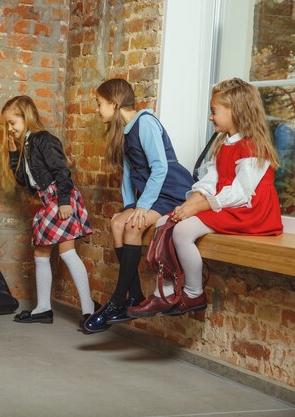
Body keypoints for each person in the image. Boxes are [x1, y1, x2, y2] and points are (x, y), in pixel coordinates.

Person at [127, 77, 283, 318]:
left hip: (249, 210)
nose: (210, 117)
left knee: (182, 232)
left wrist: (201, 206)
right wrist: (189, 204)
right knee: (163, 223)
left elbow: (240, 193)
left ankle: (193, 292)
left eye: (214, 111)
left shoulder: (252, 146)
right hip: (227, 204)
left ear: (235, 111)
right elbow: (211, 180)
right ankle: (164, 293)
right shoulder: (224, 143)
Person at [83, 79, 194, 334]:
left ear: (114, 103)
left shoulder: (145, 122)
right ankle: (133, 296)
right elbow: (127, 175)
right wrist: (130, 205)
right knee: (117, 221)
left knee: (133, 226)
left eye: (100, 104)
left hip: (171, 192)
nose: (98, 110)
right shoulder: (123, 131)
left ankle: (117, 300)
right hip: (151, 196)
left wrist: (142, 208)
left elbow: (160, 167)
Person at [1, 95, 96, 326]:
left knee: (66, 252)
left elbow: (62, 171)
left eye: (13, 123)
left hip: (61, 198)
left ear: (26, 117)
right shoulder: (24, 145)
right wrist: (14, 154)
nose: (10, 129)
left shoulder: (43, 139)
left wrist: (64, 201)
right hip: (48, 202)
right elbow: (24, 181)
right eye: (8, 125)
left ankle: (89, 310)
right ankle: (44, 308)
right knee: (43, 253)